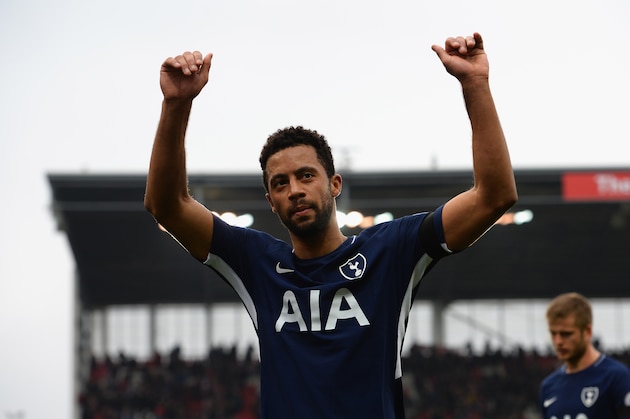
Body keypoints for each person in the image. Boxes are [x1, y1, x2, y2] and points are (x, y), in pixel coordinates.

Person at [145, 32, 517, 418]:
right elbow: (166, 207)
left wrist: (475, 84)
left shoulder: (392, 251)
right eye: (280, 184)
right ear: (270, 202)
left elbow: (494, 197)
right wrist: (176, 104)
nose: (294, 190)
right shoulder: (254, 262)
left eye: (306, 176)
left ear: (334, 184)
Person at [540, 292, 630, 419]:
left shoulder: (616, 378)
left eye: (566, 334)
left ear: (587, 332)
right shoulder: (549, 386)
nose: (558, 341)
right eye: (553, 334)